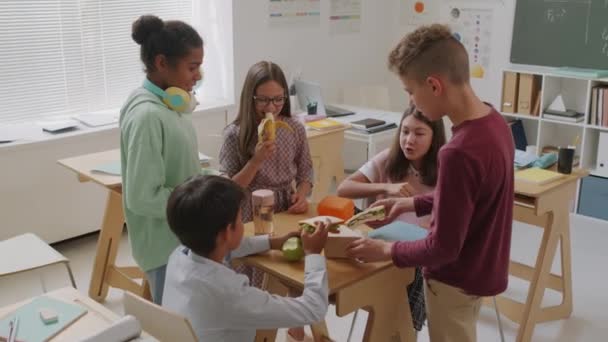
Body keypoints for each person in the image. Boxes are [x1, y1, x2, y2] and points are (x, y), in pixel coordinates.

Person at [346, 24, 514, 342]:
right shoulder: (495, 122)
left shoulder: (457, 152)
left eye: (410, 91)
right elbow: (469, 198)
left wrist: (384, 249)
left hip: (455, 280)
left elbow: (443, 248)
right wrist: (411, 202)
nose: (411, 99)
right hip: (483, 269)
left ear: (434, 85)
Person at [162, 175, 329, 342]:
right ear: (227, 232)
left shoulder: (179, 256)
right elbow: (314, 309)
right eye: (240, 219)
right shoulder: (230, 294)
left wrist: (272, 242)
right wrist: (313, 254)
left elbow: (228, 246)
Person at [120, 15, 209, 304]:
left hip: (183, 236)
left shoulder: (171, 104)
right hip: (164, 248)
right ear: (161, 63)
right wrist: (197, 200)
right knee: (175, 327)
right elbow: (143, 197)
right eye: (192, 67)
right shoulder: (147, 116)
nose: (198, 75)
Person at [336, 105, 445, 332]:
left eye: (419, 133)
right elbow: (344, 188)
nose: (409, 140)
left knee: (413, 273)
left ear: (434, 138)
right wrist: (387, 186)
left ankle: (407, 328)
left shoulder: (446, 168)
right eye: (405, 132)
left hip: (418, 252)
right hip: (381, 244)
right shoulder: (390, 159)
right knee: (338, 225)